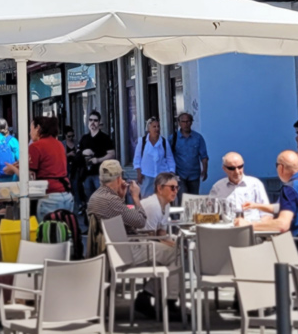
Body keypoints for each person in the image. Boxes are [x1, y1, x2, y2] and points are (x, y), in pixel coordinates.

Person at [88, 160, 181, 318]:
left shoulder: (99, 197)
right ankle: (166, 303)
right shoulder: (110, 200)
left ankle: (148, 296)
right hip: (122, 250)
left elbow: (126, 222)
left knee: (169, 253)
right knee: (176, 253)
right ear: (118, 179)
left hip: (112, 248)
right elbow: (139, 221)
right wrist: (135, 197)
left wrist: (122, 197)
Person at [5, 117, 73, 215]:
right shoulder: (59, 144)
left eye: (30, 129)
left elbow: (29, 178)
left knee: (45, 230)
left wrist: (13, 169)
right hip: (67, 194)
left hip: (49, 197)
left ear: (38, 128)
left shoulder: (35, 147)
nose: (29, 133)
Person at [208, 151, 270, 223]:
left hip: (251, 227)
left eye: (240, 167)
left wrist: (258, 227)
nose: (237, 171)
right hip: (227, 229)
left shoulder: (255, 184)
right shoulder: (218, 187)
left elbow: (267, 213)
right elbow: (211, 214)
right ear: (224, 169)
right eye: (232, 168)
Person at [133, 118, 176, 197]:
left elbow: (170, 159)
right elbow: (137, 159)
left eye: (158, 126)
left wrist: (171, 173)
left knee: (162, 200)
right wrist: (139, 173)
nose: (157, 129)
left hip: (162, 176)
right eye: (154, 126)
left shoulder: (163, 142)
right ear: (149, 129)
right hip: (146, 175)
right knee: (146, 200)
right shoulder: (142, 141)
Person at [172, 113, 209, 196]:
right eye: (183, 122)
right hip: (179, 174)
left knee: (193, 199)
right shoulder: (173, 138)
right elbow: (168, 157)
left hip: (194, 175)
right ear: (179, 123)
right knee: (183, 199)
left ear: (191, 122)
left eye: (188, 121)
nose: (185, 124)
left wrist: (205, 170)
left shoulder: (198, 138)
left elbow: (204, 156)